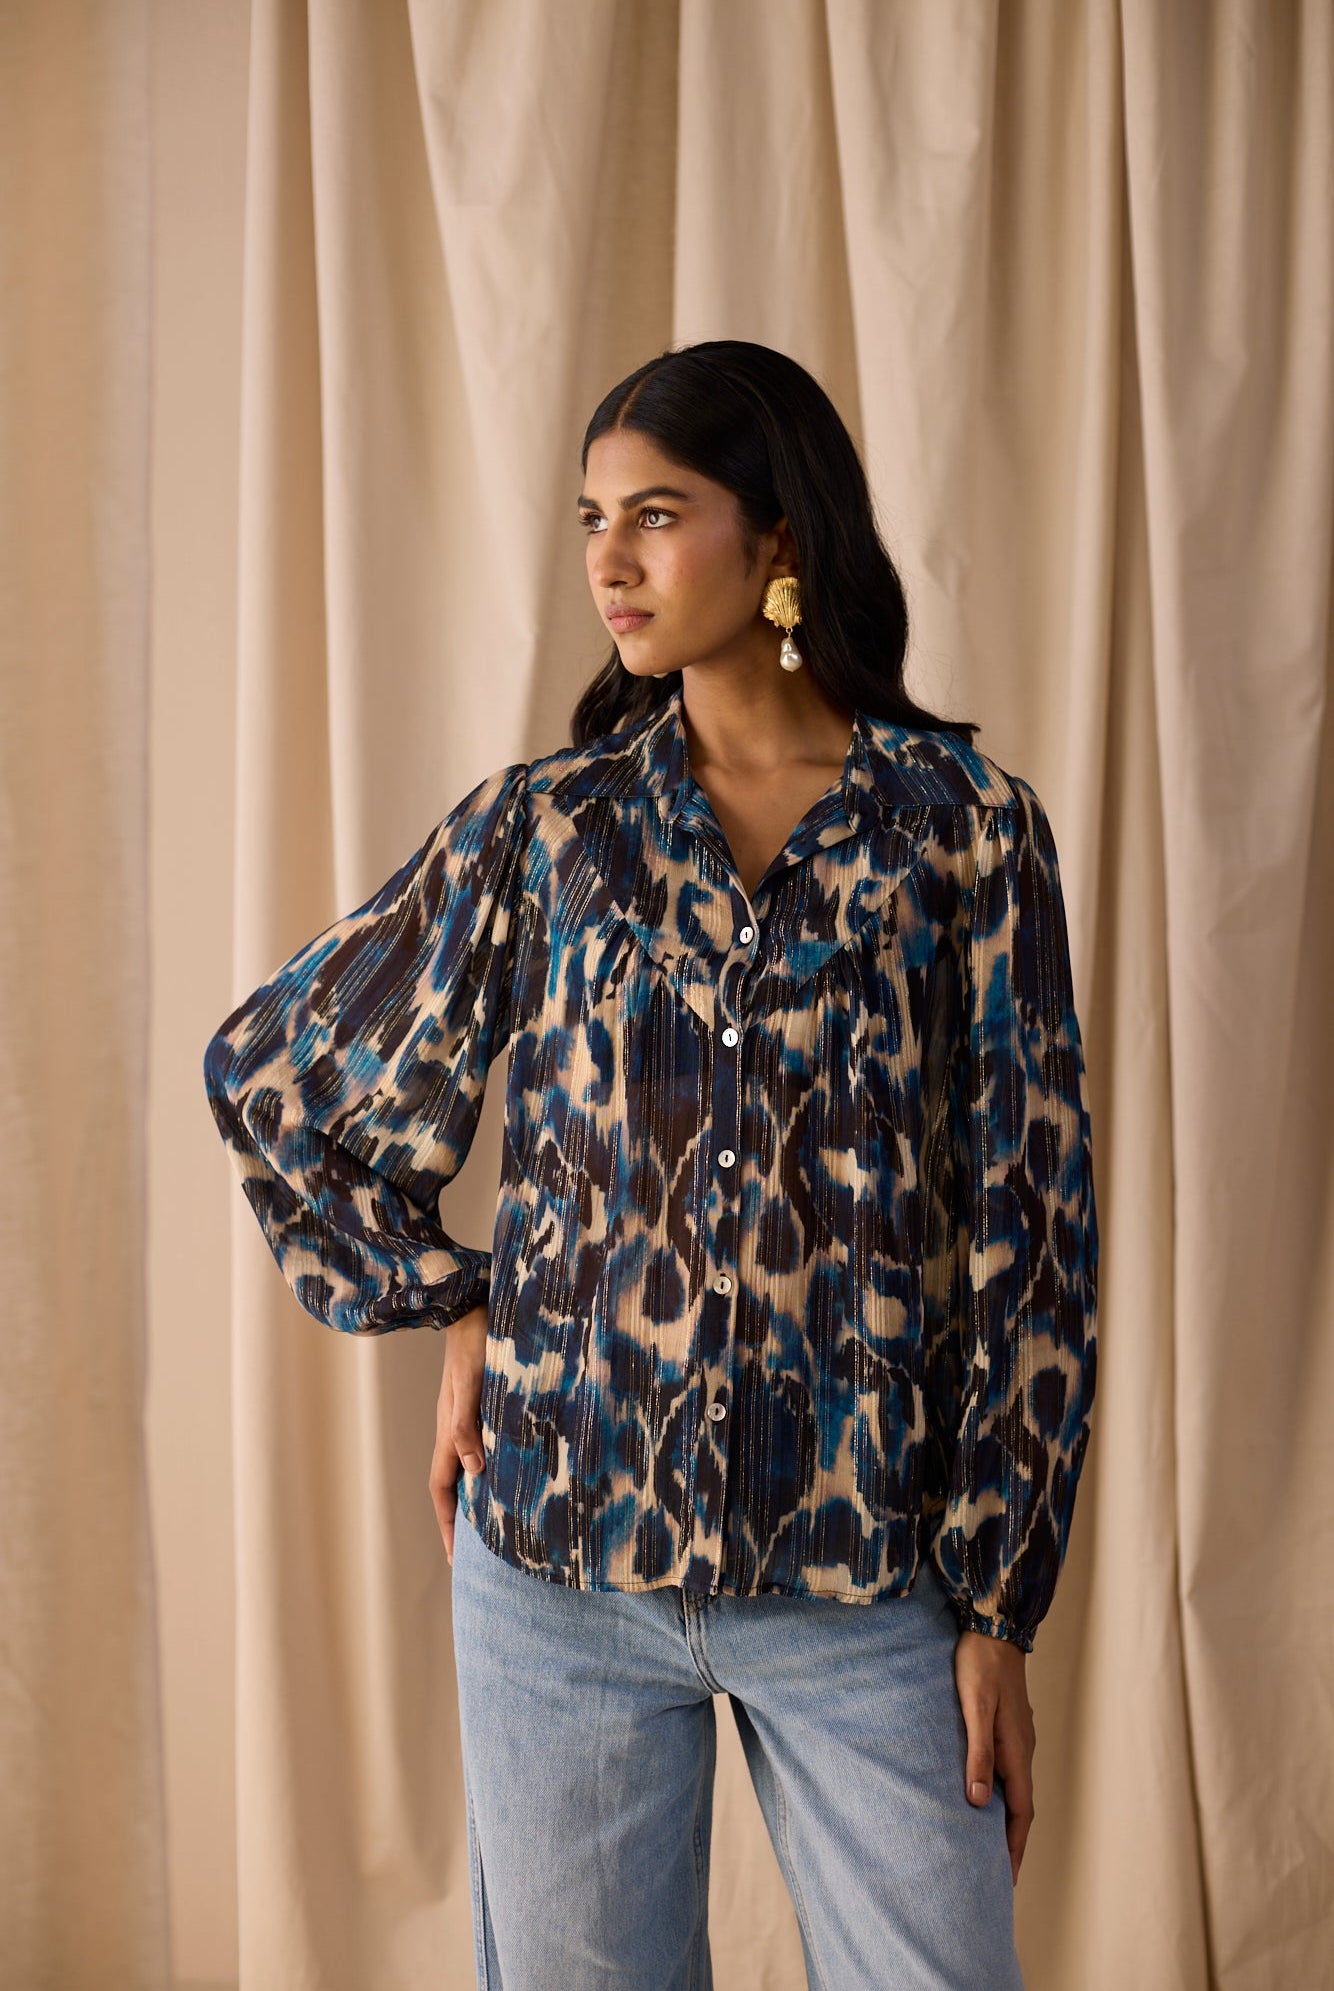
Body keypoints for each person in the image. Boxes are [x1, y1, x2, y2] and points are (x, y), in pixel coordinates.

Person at [203, 339, 1098, 1990]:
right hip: (556, 1563)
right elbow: (277, 1075)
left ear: (778, 539)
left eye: (658, 515)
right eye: (592, 520)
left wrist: (997, 1607)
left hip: (861, 1573)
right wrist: (457, 1306)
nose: (609, 560)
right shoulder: (547, 830)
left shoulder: (961, 831)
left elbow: (1031, 1235)